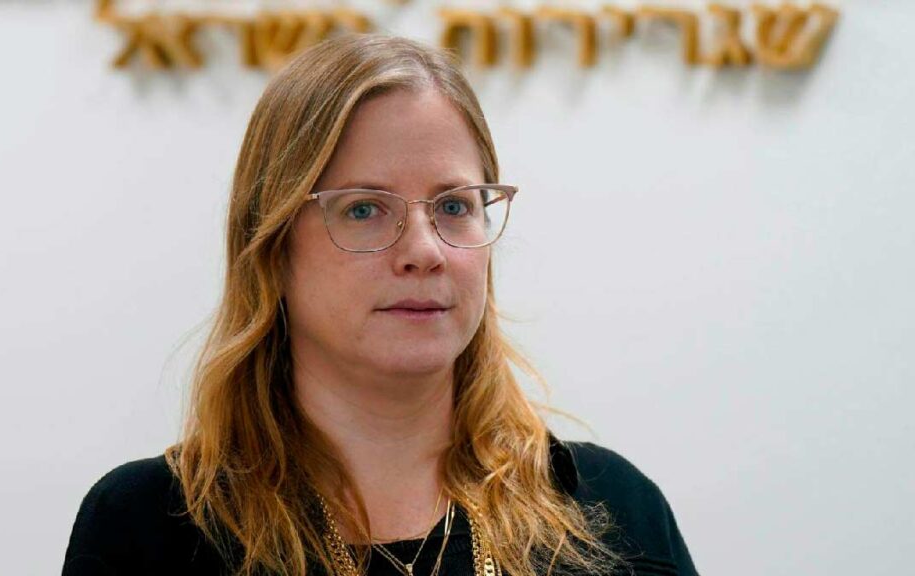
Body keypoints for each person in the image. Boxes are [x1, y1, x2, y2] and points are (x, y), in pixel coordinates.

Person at [62, 34, 698, 576]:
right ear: (272, 248)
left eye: (454, 205)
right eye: (364, 209)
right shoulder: (151, 528)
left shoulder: (613, 512)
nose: (424, 251)